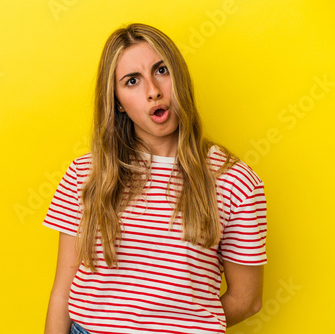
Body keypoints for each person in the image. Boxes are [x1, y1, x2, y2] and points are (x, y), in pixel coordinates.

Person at [43, 22, 267, 334]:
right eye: (132, 81)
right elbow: (61, 293)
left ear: (180, 77)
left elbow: (247, 299)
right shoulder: (86, 174)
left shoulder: (234, 181)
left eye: (162, 70)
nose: (153, 91)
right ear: (117, 101)